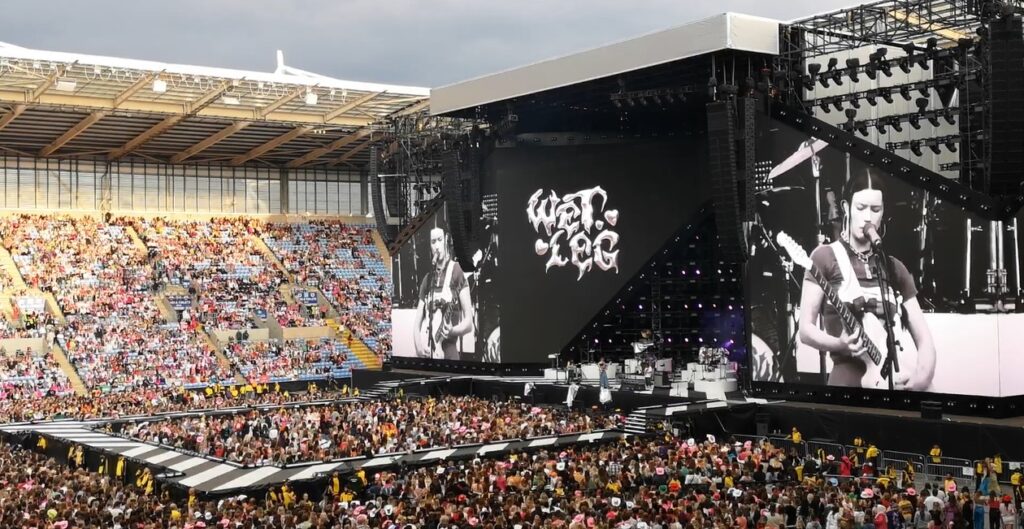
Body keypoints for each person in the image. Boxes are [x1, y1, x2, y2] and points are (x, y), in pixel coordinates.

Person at [798, 169, 936, 390]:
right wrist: (840, 344)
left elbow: (925, 340)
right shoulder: (825, 257)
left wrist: (921, 381)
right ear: (846, 208)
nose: (868, 217)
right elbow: (805, 330)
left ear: (883, 213)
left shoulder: (894, 267)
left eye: (875, 209)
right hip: (848, 380)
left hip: (894, 381)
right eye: (860, 208)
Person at [413, 227, 475, 361]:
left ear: (446, 241)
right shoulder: (427, 279)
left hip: (449, 354)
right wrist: (418, 347)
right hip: (428, 353)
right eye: (433, 241)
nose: (436, 246)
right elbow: (416, 324)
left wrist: (452, 330)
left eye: (439, 240)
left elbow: (469, 323)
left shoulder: (456, 271)